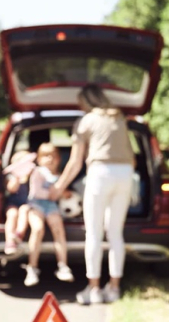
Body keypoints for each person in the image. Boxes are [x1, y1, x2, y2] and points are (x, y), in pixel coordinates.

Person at [49, 84, 135, 305]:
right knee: (115, 233)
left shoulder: (86, 121)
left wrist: (59, 186)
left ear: (86, 101)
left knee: (94, 234)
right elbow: (132, 157)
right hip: (125, 174)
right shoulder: (119, 118)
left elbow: (76, 162)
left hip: (100, 173)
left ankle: (94, 289)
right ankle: (114, 288)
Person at [22, 142, 75, 287]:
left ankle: (63, 266)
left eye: (53, 156)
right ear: (39, 159)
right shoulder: (38, 172)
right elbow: (38, 192)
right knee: (38, 229)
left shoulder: (59, 176)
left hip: (51, 206)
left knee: (58, 229)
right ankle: (32, 267)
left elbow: (62, 193)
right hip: (35, 205)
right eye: (46, 156)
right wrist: (54, 193)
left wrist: (64, 193)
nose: (50, 159)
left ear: (59, 159)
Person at [2, 150, 35, 255]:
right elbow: (11, 189)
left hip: (27, 203)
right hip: (13, 203)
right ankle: (10, 241)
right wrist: (17, 176)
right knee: (12, 214)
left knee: (24, 211)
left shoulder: (33, 175)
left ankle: (19, 234)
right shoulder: (12, 176)